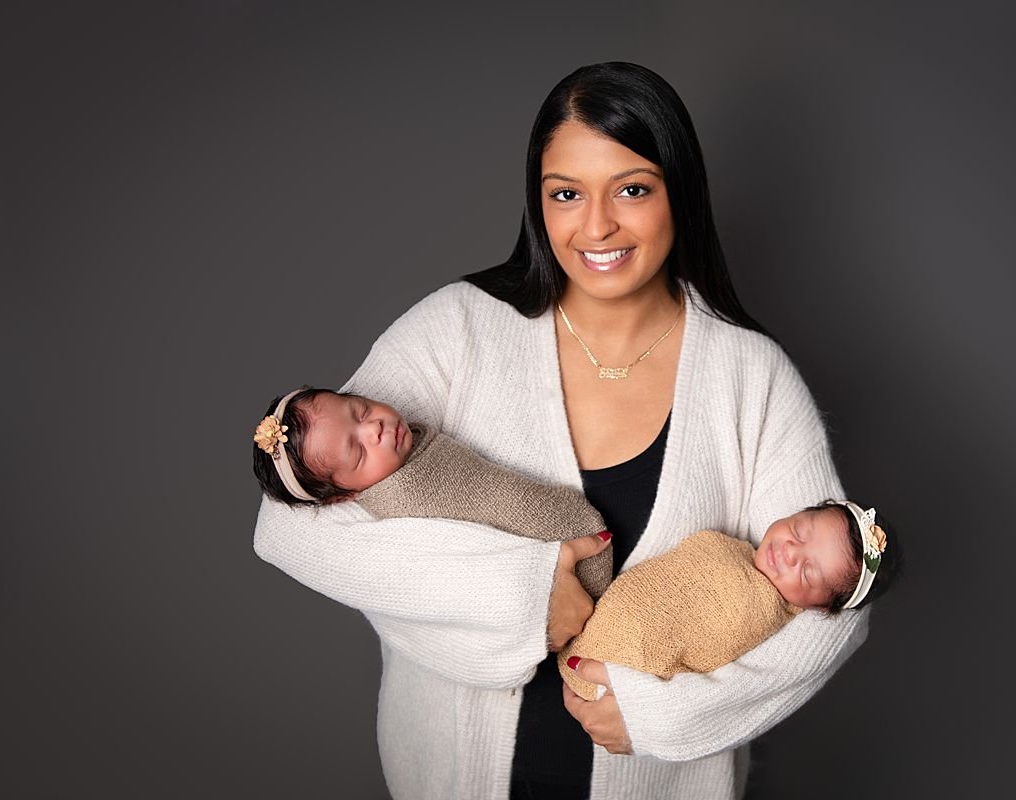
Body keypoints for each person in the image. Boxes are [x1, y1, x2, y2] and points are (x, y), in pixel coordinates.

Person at [253, 62, 870, 800]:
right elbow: (289, 527)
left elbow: (839, 604)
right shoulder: (458, 330)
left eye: (632, 189)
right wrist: (518, 597)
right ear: (537, 201)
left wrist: (661, 717)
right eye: (566, 194)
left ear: (681, 190)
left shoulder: (751, 377)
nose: (597, 224)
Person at [251, 387, 613, 598]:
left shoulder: (411, 443)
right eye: (358, 453)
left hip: (579, 528)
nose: (374, 428)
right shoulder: (402, 504)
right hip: (568, 572)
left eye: (360, 411)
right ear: (344, 496)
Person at [559, 501, 897, 701]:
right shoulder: (734, 548)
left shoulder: (762, 615)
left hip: (620, 671)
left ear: (820, 607)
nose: (792, 551)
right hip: (583, 619)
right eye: (799, 530)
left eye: (808, 573)